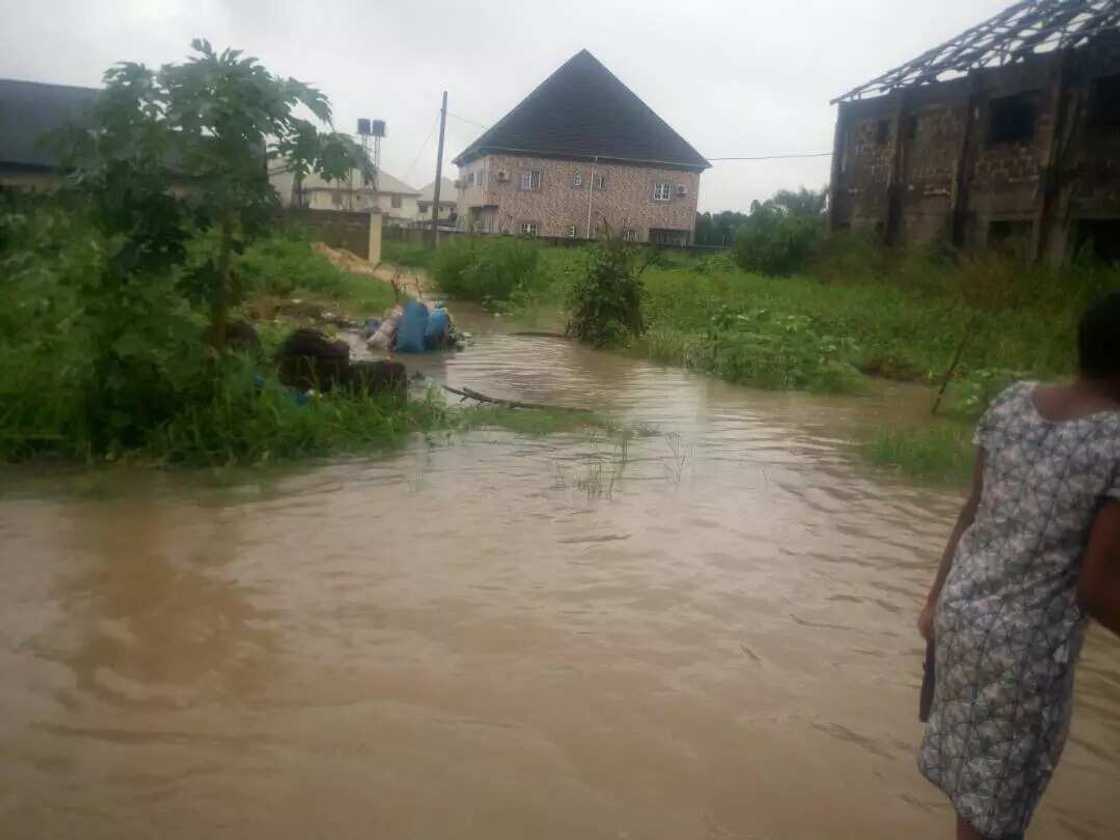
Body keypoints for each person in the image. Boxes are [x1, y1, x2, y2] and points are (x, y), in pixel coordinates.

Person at [917, 291, 1120, 840]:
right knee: (996, 815)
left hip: (959, 619)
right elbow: (1096, 590)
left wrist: (934, 602)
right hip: (1023, 657)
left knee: (974, 796)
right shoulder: (1117, 439)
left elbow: (971, 512)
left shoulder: (1011, 403)